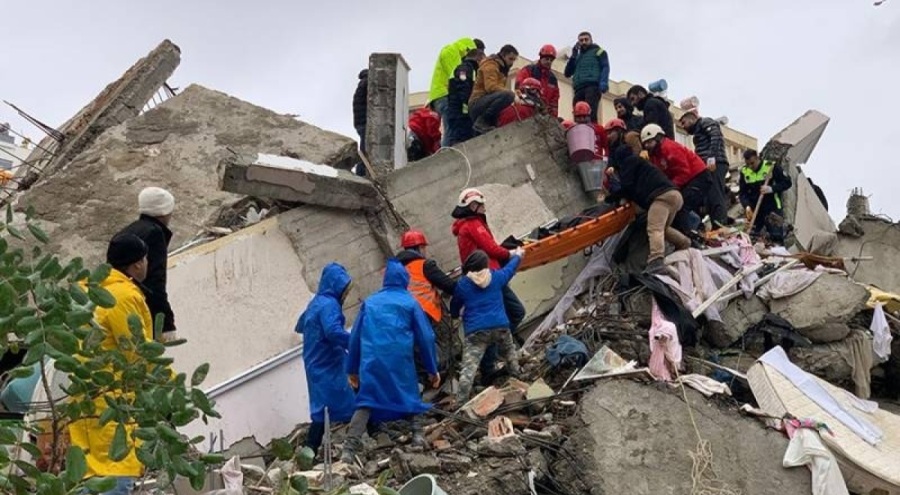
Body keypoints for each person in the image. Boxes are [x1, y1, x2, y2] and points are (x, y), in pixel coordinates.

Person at [68, 233, 152, 494]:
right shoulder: (123, 296)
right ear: (136, 264)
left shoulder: (87, 290)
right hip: (113, 398)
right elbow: (136, 352)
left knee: (89, 473)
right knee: (116, 467)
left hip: (84, 396)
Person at [342, 259, 440, 462]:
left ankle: (348, 451)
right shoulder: (410, 302)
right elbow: (426, 337)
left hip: (372, 361)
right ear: (405, 280)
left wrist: (352, 369)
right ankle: (418, 436)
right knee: (410, 394)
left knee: (367, 400)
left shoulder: (369, 303)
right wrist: (432, 368)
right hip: (400, 359)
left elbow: (355, 338)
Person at [451, 188, 526, 383]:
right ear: (472, 206)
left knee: (495, 323)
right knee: (515, 312)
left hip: (481, 280)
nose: (484, 207)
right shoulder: (473, 225)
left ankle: (488, 368)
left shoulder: (465, 227)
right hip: (489, 278)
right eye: (481, 204)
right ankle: (496, 358)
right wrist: (513, 255)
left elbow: (455, 306)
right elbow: (491, 247)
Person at [295, 263, 357, 458]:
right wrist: (354, 343)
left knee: (322, 408)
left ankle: (311, 450)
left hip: (316, 360)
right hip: (328, 361)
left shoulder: (317, 302)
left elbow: (301, 325)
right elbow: (332, 331)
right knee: (356, 393)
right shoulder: (330, 305)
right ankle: (371, 432)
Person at [451, 249, 524, 403]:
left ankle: (460, 402)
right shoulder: (496, 277)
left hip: (476, 332)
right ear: (485, 265)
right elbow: (509, 270)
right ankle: (519, 380)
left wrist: (455, 314)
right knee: (510, 354)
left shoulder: (463, 284)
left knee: (468, 369)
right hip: (500, 326)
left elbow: (454, 307)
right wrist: (518, 255)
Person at [604, 146, 691, 274]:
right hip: (675, 196)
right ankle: (685, 243)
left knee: (654, 228)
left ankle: (656, 261)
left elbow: (627, 187)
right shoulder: (642, 164)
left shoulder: (629, 162)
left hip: (662, 197)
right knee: (663, 228)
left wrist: (611, 198)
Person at [116, 187, 176, 341]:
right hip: (141, 308)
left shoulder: (127, 231)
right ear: (164, 212)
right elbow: (156, 281)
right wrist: (165, 324)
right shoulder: (155, 234)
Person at [641, 124, 728, 229]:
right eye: (645, 143)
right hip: (689, 180)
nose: (647, 146)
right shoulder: (655, 156)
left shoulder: (669, 148)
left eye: (649, 142)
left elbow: (683, 172)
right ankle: (696, 229)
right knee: (679, 205)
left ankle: (696, 231)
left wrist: (670, 187)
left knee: (681, 206)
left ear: (658, 138)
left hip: (699, 177)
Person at [429, 38, 485, 146]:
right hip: (444, 94)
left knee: (452, 128)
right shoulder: (452, 52)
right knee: (451, 129)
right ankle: (447, 155)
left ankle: (448, 152)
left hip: (441, 95)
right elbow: (456, 79)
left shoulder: (457, 54)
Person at [396, 229, 457, 324]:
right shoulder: (425, 265)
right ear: (420, 248)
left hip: (411, 321)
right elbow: (450, 286)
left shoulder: (398, 271)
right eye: (424, 248)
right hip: (431, 316)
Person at [739, 150, 792, 243]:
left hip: (772, 208)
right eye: (748, 164)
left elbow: (787, 182)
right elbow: (742, 193)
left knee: (776, 237)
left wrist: (771, 188)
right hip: (755, 210)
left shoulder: (770, 166)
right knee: (754, 238)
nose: (750, 167)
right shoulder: (744, 171)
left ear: (757, 158)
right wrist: (747, 206)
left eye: (752, 163)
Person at [468, 44, 519, 134]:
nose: (512, 63)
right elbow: (490, 87)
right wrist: (512, 93)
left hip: (485, 102)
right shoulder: (491, 64)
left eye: (514, 60)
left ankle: (484, 124)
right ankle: (482, 121)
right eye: (510, 59)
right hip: (477, 103)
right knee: (508, 96)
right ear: (503, 55)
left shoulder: (502, 68)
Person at [678, 111, 729, 196]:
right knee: (711, 196)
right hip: (709, 165)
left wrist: (712, 157)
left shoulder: (705, 122)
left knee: (716, 195)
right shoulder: (698, 133)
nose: (683, 127)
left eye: (684, 123)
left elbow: (716, 136)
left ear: (691, 119)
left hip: (715, 163)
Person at [563, 31, 610, 123]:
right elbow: (567, 73)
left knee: (590, 113)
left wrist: (603, 82)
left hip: (592, 86)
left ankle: (593, 132)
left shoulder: (599, 52)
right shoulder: (577, 56)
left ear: (591, 40)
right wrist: (573, 56)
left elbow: (605, 66)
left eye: (586, 39)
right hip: (578, 89)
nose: (583, 42)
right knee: (578, 114)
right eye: (581, 40)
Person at [445, 48, 485, 146]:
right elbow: (463, 86)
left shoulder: (469, 69)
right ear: (478, 58)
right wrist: (470, 103)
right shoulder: (465, 68)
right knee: (458, 141)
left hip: (461, 113)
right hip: (459, 114)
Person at [515, 45, 560, 118]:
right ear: (541, 57)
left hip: (544, 115)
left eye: (551, 60)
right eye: (547, 59)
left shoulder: (553, 79)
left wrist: (553, 117)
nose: (549, 61)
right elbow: (519, 86)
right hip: (528, 109)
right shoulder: (529, 70)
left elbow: (554, 102)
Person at [352, 69, 368, 155]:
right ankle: (362, 167)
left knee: (365, 145)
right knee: (364, 148)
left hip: (359, 123)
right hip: (362, 122)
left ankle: (363, 164)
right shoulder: (365, 83)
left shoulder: (361, 85)